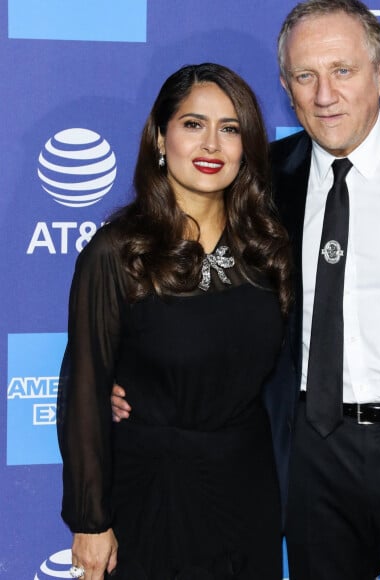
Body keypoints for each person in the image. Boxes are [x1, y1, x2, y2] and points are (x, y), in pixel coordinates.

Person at [113, 2, 380, 579]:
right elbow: (197, 289)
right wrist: (128, 379)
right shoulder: (262, 180)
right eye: (305, 75)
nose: (325, 95)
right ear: (286, 87)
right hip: (313, 458)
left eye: (342, 71)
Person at [57, 63, 291, 580]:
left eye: (230, 129)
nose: (211, 145)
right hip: (150, 491)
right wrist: (90, 521)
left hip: (246, 488)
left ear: (246, 148)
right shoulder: (118, 253)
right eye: (193, 124)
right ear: (161, 137)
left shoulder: (269, 250)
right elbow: (85, 386)